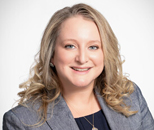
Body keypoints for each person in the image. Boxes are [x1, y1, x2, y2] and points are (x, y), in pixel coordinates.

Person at [3, 3, 154, 130]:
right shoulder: (21, 121)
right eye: (70, 46)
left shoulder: (131, 97)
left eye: (93, 47)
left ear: (106, 53)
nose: (82, 59)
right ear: (51, 55)